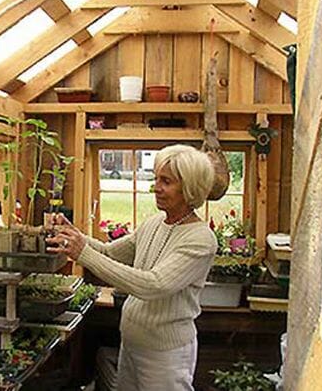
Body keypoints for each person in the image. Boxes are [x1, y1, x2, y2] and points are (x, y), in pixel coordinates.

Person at [47, 144, 217, 391]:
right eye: (156, 178)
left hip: (165, 354)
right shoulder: (155, 222)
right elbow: (109, 252)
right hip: (132, 342)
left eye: (166, 181)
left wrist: (82, 252)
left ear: (190, 188)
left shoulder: (200, 239)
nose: (156, 187)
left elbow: (153, 285)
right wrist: (75, 236)